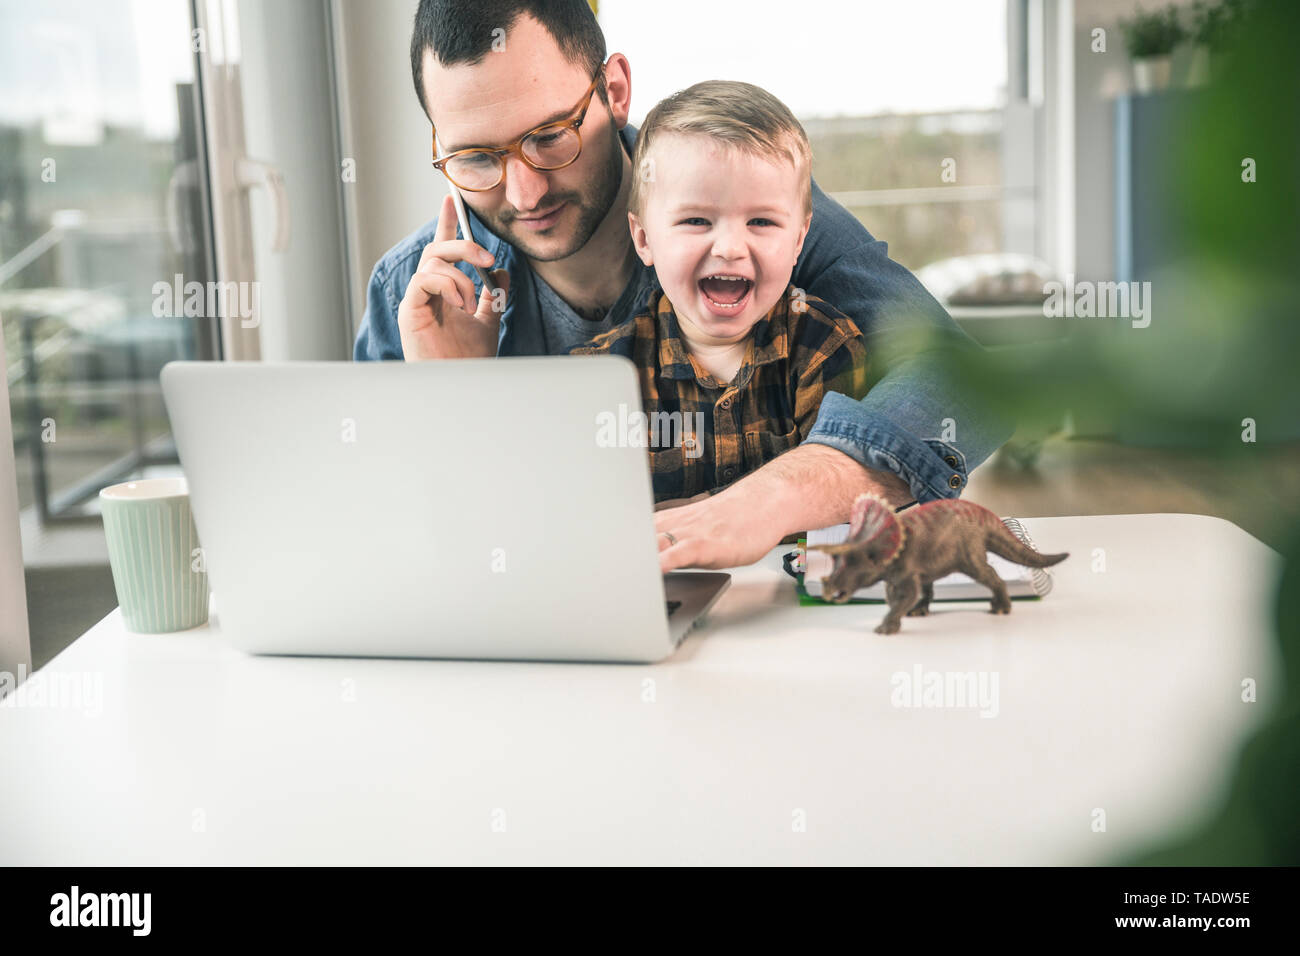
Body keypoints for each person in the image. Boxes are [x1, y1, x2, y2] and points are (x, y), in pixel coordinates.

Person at [352, 0, 1013, 572]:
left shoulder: (743, 209)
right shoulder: (411, 297)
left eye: (549, 137)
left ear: (613, 91)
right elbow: (389, 543)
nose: (523, 193)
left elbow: (960, 382)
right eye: (476, 157)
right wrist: (456, 402)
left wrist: (766, 502)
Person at [569, 80, 870, 510]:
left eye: (762, 222)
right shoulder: (602, 376)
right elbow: (586, 524)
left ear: (799, 240)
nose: (730, 248)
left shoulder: (825, 348)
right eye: (696, 220)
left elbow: (844, 503)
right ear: (644, 238)